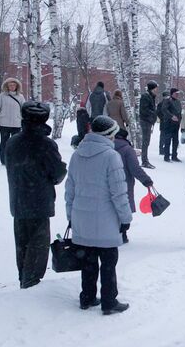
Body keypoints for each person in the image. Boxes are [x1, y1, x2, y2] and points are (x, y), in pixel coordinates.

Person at [65, 116, 132, 314]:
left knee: (88, 261)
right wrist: (125, 218)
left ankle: (86, 297)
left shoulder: (77, 154)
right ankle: (109, 301)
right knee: (109, 263)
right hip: (106, 220)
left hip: (81, 219)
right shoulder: (111, 157)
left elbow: (70, 189)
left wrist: (71, 216)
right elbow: (119, 193)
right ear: (109, 135)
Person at [5, 102, 67, 289]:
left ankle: (24, 281)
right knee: (37, 247)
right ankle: (30, 285)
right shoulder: (45, 144)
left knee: (22, 245)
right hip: (39, 202)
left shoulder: (13, 141)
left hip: (18, 200)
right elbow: (57, 173)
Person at [114, 128, 154, 243]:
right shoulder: (127, 149)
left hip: (107, 183)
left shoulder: (106, 148)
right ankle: (122, 234)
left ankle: (110, 232)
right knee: (123, 207)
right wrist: (146, 180)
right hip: (124, 183)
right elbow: (135, 169)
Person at [0, 78, 25, 165]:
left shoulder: (21, 97)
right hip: (4, 124)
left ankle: (14, 159)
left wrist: (24, 121)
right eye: (10, 85)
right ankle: (3, 160)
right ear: (7, 86)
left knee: (16, 143)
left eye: (14, 85)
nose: (12, 87)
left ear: (17, 86)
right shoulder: (2, 96)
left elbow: (24, 110)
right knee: (4, 142)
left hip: (16, 124)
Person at [139, 80, 158, 169]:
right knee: (145, 141)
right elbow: (144, 110)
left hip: (148, 121)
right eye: (155, 88)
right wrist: (153, 114)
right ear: (152, 88)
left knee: (147, 141)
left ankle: (145, 160)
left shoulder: (151, 96)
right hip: (145, 121)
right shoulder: (146, 96)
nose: (156, 90)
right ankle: (144, 161)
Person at [161, 88, 183, 162]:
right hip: (169, 124)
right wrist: (171, 116)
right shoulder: (167, 101)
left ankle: (174, 156)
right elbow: (164, 110)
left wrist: (180, 120)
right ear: (172, 93)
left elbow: (179, 112)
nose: (177, 95)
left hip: (176, 125)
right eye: (176, 93)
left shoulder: (178, 102)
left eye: (178, 93)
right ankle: (166, 156)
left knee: (175, 141)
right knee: (168, 141)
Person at [157, 90, 170, 156]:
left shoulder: (170, 103)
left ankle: (165, 149)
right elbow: (158, 112)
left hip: (168, 122)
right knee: (163, 136)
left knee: (167, 137)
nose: (167, 97)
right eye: (166, 96)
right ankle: (161, 150)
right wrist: (163, 118)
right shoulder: (160, 104)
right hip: (164, 122)